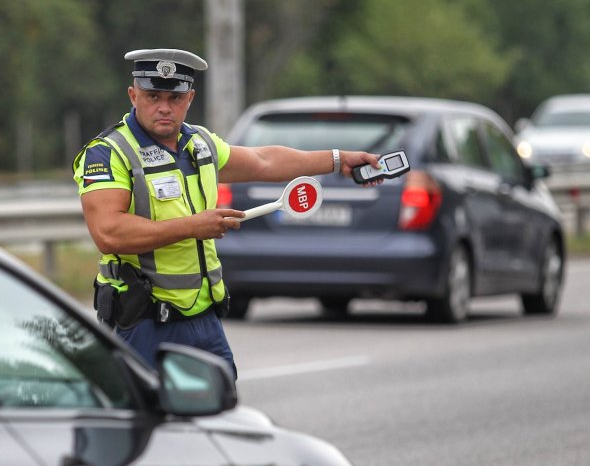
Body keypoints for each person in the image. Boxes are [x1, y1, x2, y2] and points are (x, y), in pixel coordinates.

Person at [72, 48, 382, 378]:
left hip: (204, 318)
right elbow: (108, 233)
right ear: (133, 96)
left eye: (175, 97)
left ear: (190, 98)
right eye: (152, 96)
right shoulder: (108, 152)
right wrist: (193, 226)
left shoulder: (199, 143)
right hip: (142, 322)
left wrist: (337, 160)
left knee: (220, 418)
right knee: (149, 424)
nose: (164, 107)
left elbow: (264, 160)